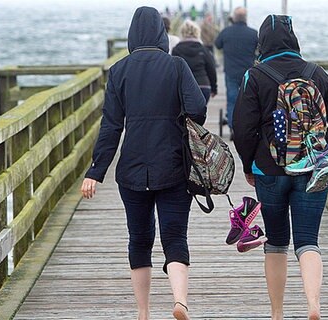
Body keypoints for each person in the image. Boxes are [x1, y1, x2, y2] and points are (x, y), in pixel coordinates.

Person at [81, 6, 206, 320]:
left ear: (132, 35)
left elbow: (111, 126)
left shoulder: (119, 71)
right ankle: (180, 301)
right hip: (174, 166)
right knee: (175, 236)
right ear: (162, 35)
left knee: (139, 238)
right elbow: (199, 108)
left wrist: (96, 172)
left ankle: (143, 311)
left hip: (132, 169)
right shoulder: (177, 66)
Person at [232, 15, 328, 320]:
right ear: (293, 39)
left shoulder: (255, 76)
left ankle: (277, 314)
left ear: (262, 43)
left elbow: (242, 128)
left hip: (269, 170)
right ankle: (313, 305)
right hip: (313, 168)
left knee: (276, 242)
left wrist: (248, 164)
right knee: (308, 240)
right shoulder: (317, 74)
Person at [214, 7, 258, 139]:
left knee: (232, 99)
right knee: (249, 100)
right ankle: (248, 126)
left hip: (231, 71)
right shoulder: (253, 33)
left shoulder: (226, 32)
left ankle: (233, 128)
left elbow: (217, 44)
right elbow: (260, 49)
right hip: (248, 72)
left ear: (233, 18)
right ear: (245, 18)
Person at [172, 20, 217, 104]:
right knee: (200, 114)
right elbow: (211, 69)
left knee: (183, 113)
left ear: (182, 32)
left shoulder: (176, 50)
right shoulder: (204, 50)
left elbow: (173, 70)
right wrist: (214, 88)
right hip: (203, 86)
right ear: (197, 32)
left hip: (184, 87)